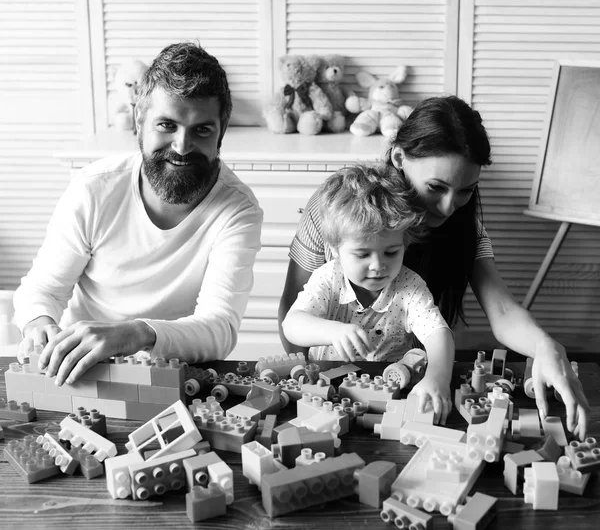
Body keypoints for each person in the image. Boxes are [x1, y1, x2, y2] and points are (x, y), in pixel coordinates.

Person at [279, 95, 590, 440]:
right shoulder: (336, 208)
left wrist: (546, 346)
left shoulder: (461, 231)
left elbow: (501, 310)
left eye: (465, 191)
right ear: (399, 157)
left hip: (408, 382)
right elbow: (292, 310)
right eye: (436, 187)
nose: (447, 208)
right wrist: (307, 383)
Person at [14, 42, 263, 386]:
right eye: (166, 125)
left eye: (201, 130)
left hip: (175, 375)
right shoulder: (93, 188)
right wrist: (40, 325)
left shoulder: (238, 210)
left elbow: (219, 327)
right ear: (139, 121)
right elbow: (42, 291)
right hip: (81, 371)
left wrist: (135, 333)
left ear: (220, 134)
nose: (181, 146)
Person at [282, 163, 455, 423]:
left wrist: (437, 378)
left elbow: (438, 334)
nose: (378, 266)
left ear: (405, 244)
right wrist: (332, 331)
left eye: (391, 252)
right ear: (335, 248)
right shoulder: (329, 278)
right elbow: (292, 324)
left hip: (391, 393)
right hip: (330, 394)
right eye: (362, 254)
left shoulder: (409, 286)